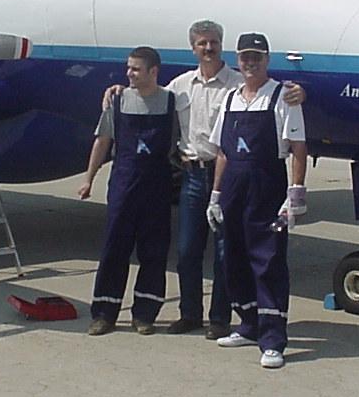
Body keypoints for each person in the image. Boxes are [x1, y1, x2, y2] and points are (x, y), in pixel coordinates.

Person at [102, 21, 305, 340]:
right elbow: (147, 93)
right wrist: (117, 90)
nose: (208, 48)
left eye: (213, 42)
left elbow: (277, 94)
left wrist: (300, 91)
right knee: (187, 251)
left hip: (227, 175)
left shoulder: (240, 83)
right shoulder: (180, 86)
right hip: (193, 174)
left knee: (226, 253)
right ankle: (190, 314)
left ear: (221, 46)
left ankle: (221, 318)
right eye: (201, 43)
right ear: (193, 48)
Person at [207, 33, 307, 369]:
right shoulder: (231, 98)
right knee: (233, 257)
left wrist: (295, 192)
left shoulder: (283, 97)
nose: (250, 63)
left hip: (267, 187)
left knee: (269, 260)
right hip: (234, 186)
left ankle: (273, 339)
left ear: (267, 59)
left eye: (257, 57)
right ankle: (248, 324)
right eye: (245, 57)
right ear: (238, 59)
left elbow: (297, 147)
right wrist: (216, 194)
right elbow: (222, 150)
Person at [79, 46, 177, 336]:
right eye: (128, 68)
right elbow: (103, 141)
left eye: (135, 69)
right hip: (123, 184)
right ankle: (104, 314)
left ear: (153, 72)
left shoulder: (171, 102)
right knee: (114, 249)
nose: (129, 73)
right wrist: (89, 178)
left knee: (154, 252)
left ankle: (145, 314)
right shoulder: (117, 100)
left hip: (157, 187)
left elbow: (181, 139)